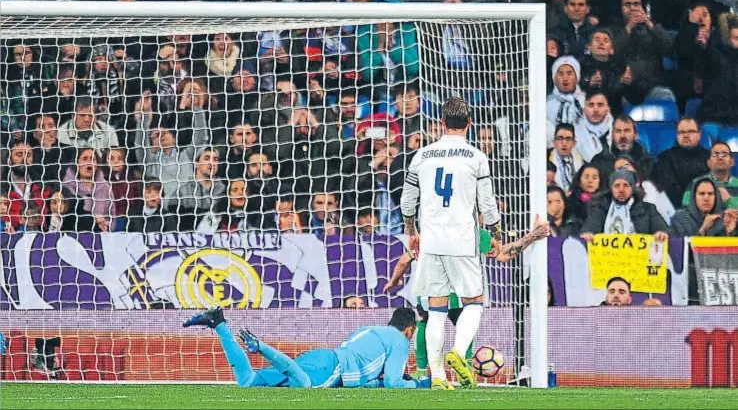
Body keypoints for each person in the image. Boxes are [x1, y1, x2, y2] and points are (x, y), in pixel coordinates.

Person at [400, 97, 501, 390]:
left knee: (436, 310)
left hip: (431, 241)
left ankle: (438, 377)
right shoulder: (476, 157)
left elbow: (408, 202)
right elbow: (487, 204)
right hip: (462, 241)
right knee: (474, 303)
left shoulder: (421, 156)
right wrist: (495, 234)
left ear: (442, 124)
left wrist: (412, 231)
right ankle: (458, 352)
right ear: (469, 124)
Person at [383, 215, 550, 378]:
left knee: (425, 324)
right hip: (460, 294)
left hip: (430, 292)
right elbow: (504, 255)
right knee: (466, 326)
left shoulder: (432, 231)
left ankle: (421, 371)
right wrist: (532, 236)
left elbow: (405, 259)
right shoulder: (476, 233)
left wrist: (394, 281)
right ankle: (466, 366)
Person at [183, 306, 429, 389]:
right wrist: (421, 383)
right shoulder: (399, 340)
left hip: (323, 356)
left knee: (247, 381)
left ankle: (219, 323)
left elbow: (373, 380)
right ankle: (261, 346)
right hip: (329, 368)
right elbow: (394, 383)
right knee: (306, 385)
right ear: (409, 330)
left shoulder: (369, 330)